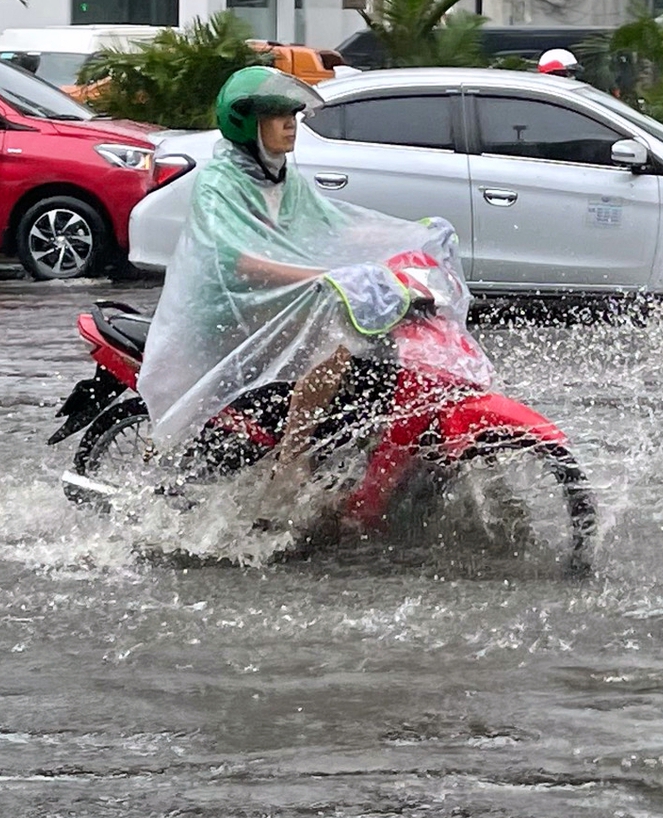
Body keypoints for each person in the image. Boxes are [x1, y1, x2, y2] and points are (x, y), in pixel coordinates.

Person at [137, 66, 441, 502]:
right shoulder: (219, 182)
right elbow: (237, 261)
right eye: (277, 116)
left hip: (269, 301)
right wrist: (325, 277)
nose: (290, 125)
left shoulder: (282, 179)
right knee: (336, 335)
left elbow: (331, 228)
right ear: (246, 123)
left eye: (292, 116)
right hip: (228, 310)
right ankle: (293, 460)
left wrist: (413, 236)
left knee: (376, 333)